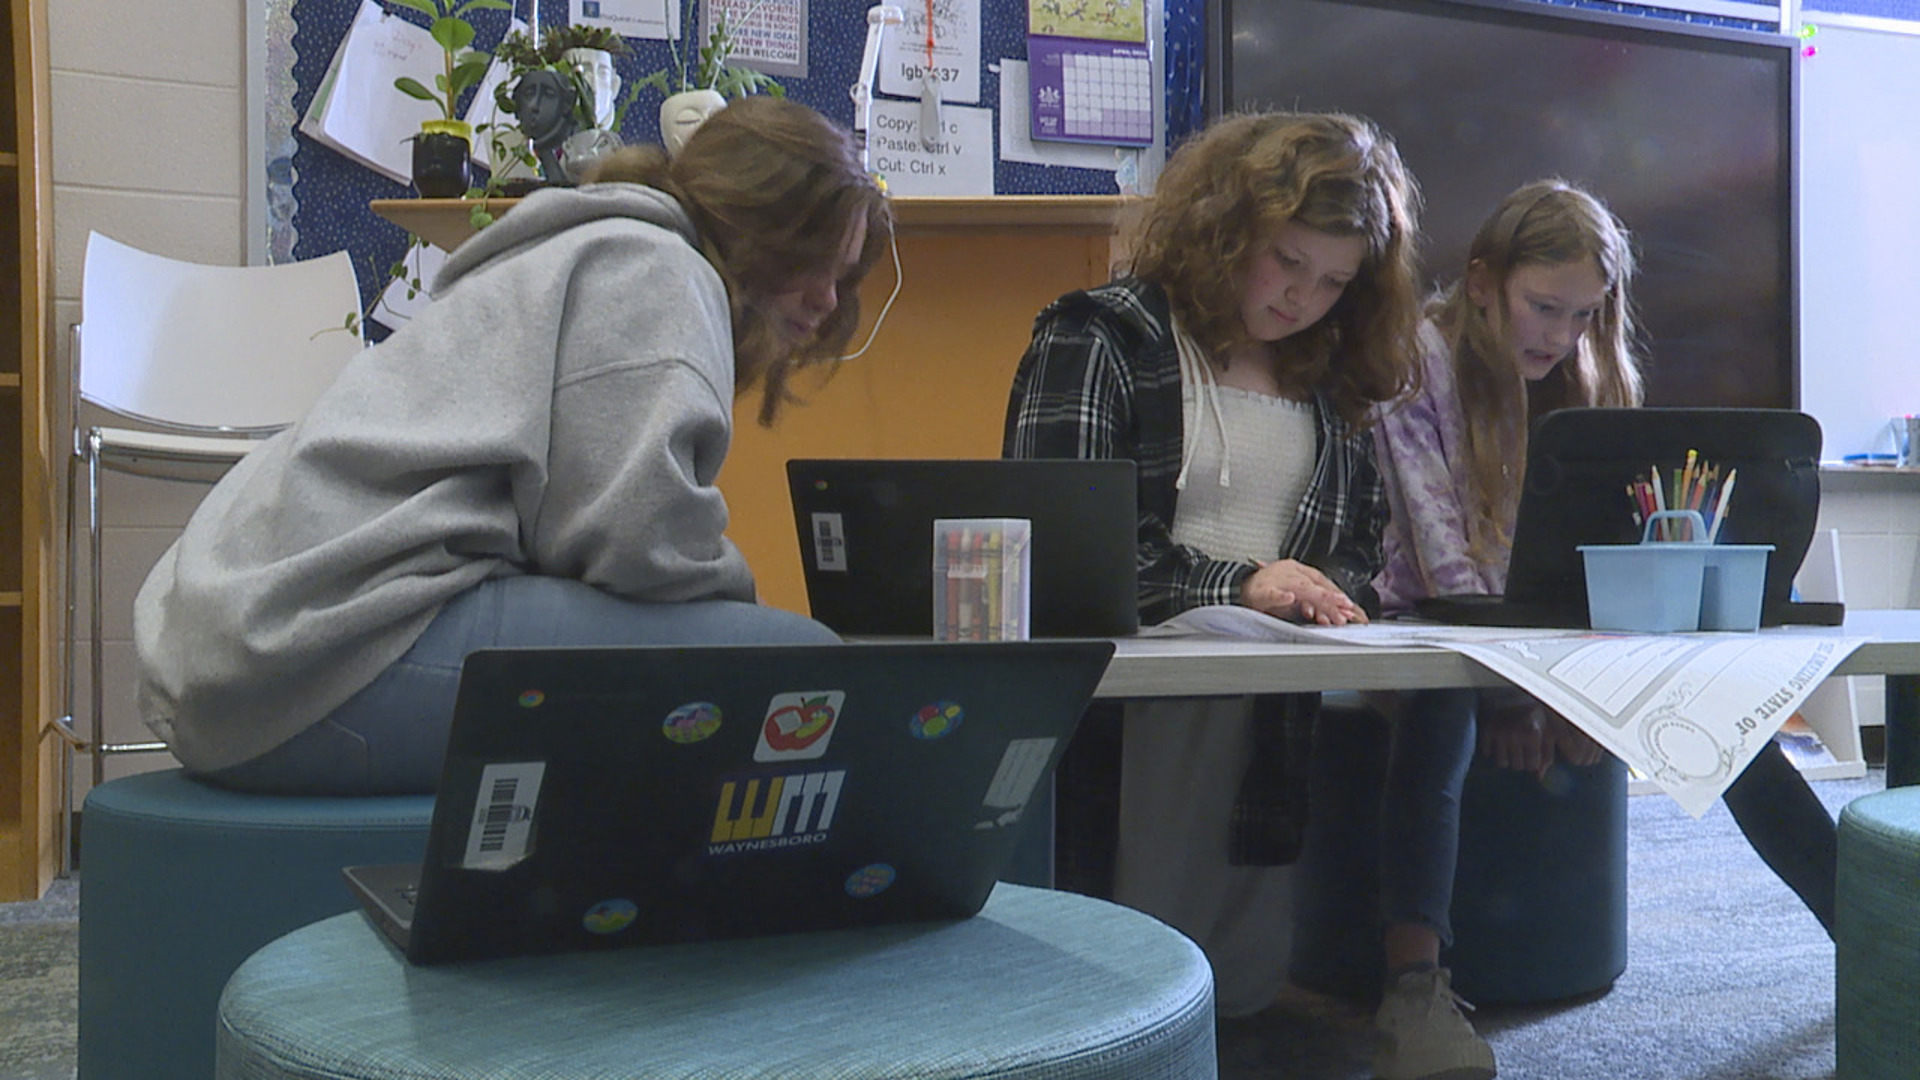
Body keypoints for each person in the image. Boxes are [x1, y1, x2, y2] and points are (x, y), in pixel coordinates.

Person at [134, 97, 892, 796]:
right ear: (757, 217)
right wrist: (743, 601)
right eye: (817, 259)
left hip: (242, 660)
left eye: (845, 273)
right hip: (316, 669)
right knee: (802, 665)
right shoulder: (658, 270)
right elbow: (635, 545)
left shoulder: (586, 248)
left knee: (747, 651)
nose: (829, 298)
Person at [1002, 111, 1492, 1080]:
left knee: (1444, 678)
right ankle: (1147, 985)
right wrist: (1246, 584)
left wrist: (1319, 595)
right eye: (1285, 263)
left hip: (1276, 661)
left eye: (1335, 282)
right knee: (1226, 649)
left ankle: (1371, 985)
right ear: (1225, 230)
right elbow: (1062, 554)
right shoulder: (1104, 335)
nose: (1304, 299)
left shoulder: (1330, 376)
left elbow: (1354, 547)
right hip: (1135, 662)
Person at [1341, 177, 1840, 950]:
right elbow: (1441, 558)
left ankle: (1873, 940)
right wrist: (1519, 697)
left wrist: (1589, 689)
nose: (1560, 335)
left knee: (1725, 727)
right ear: (1482, 281)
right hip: (1439, 629)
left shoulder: (1589, 377)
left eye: (1582, 316)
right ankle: (1416, 982)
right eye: (1544, 307)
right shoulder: (1414, 366)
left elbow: (1609, 546)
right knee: (1439, 711)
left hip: (1557, 636)